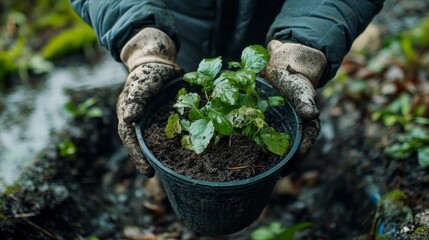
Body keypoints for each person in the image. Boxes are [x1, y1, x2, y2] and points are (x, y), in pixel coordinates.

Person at [69, 0, 385, 177]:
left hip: (281, 25)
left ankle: (269, 189)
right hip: (173, 22)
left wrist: (304, 51)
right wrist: (142, 44)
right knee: (177, 97)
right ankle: (169, 185)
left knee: (282, 103)